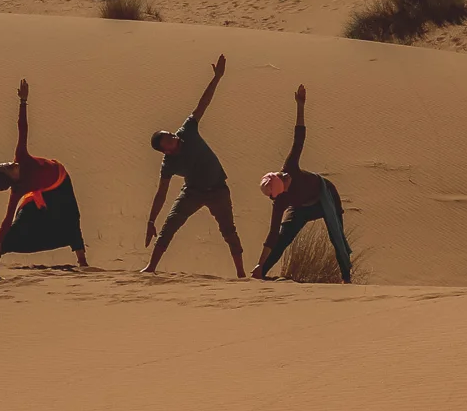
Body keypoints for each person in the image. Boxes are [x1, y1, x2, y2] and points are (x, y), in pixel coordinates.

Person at [142, 54, 246, 276]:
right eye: (168, 140)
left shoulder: (186, 130)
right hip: (193, 192)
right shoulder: (168, 163)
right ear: (165, 150)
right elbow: (161, 193)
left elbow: (203, 104)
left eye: (170, 134)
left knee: (229, 231)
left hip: (218, 189)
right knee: (170, 225)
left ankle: (241, 274)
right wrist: (151, 220)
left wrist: (217, 78)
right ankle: (151, 268)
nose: (173, 137)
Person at [251, 84, 353, 283]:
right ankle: (261, 275)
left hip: (324, 196)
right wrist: (260, 264)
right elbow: (272, 235)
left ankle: (347, 279)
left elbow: (299, 139)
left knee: (336, 236)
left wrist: (300, 106)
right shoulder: (280, 201)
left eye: (283, 176)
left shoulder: (289, 167)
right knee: (283, 238)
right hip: (300, 209)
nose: (286, 177)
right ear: (280, 192)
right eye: (284, 181)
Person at [0, 78, 88, 268]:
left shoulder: (21, 157)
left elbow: (22, 128)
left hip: (61, 180)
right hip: (38, 195)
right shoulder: (18, 190)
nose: (8, 162)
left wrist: (23, 101)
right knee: (19, 226)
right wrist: (0, 242)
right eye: (5, 167)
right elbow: (7, 218)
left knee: (71, 217)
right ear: (7, 176)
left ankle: (82, 260)